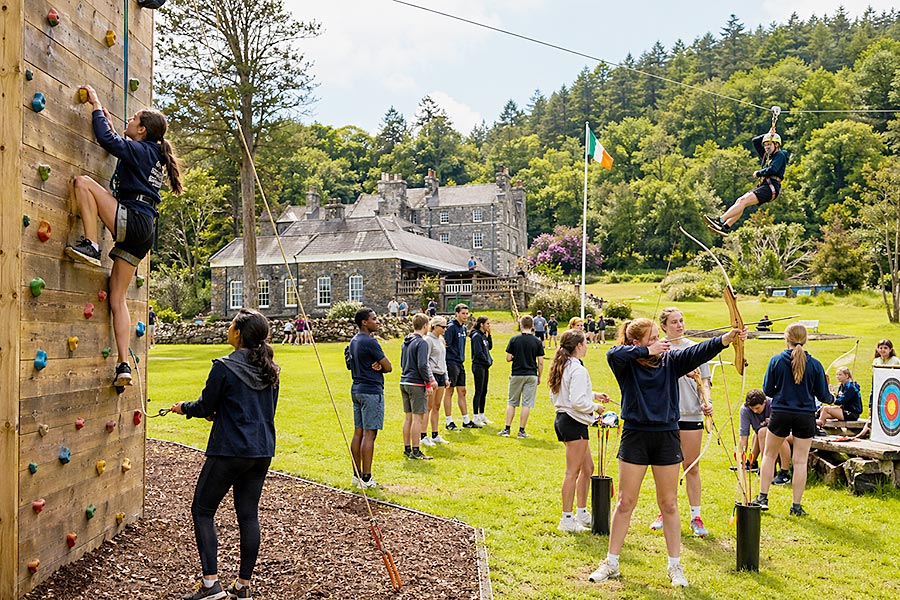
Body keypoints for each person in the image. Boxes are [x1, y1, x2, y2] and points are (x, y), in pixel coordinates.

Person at [589, 317, 745, 588]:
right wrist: (647, 351)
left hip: (666, 437)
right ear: (636, 342)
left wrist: (726, 339)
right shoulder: (625, 364)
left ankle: (675, 566)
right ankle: (611, 562)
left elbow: (699, 351)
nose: (659, 341)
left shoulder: (671, 362)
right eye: (652, 338)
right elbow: (612, 352)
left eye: (658, 337)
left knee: (669, 503)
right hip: (635, 436)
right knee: (625, 500)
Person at [66, 85, 182, 387]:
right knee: (117, 298)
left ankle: (91, 243)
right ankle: (122, 364)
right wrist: (102, 110)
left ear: (142, 129)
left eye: (133, 119)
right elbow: (118, 139)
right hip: (144, 231)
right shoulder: (151, 152)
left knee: (83, 183)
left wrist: (93, 105)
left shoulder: (142, 150)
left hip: (132, 219)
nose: (128, 120)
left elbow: (107, 140)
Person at [170, 308, 279, 600]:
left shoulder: (224, 366)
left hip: (229, 450)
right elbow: (260, 411)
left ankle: (210, 585)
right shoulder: (270, 369)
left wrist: (185, 408)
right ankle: (242, 586)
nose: (228, 329)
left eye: (232, 326)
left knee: (202, 510)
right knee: (248, 515)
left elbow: (206, 407)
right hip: (261, 451)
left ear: (239, 333)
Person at [647, 308, 713, 539]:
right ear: (663, 326)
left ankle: (696, 516)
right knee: (668, 469)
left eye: (681, 321)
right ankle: (665, 513)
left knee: (691, 466)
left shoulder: (693, 349)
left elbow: (705, 381)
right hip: (666, 416)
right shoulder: (658, 349)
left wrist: (707, 402)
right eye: (674, 322)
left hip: (691, 414)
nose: (679, 325)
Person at [752, 323, 832, 517]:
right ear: (805, 340)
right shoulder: (815, 364)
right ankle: (796, 506)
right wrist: (833, 399)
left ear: (786, 338)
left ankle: (762, 498)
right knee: (800, 461)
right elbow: (824, 395)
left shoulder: (777, 361)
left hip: (781, 412)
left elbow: (768, 390)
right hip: (805, 415)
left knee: (769, 455)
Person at [549, 329, 610, 532]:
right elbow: (576, 401)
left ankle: (582, 513)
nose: (586, 345)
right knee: (572, 472)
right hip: (573, 422)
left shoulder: (564, 365)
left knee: (588, 468)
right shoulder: (576, 368)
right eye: (584, 342)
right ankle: (566, 520)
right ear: (579, 346)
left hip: (567, 420)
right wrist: (595, 408)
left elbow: (569, 394)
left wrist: (595, 395)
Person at [705, 129, 787, 235]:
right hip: (766, 186)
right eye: (765, 145)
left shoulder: (780, 155)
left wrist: (759, 173)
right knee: (740, 201)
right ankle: (725, 226)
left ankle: (720, 220)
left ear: (776, 145)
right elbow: (755, 141)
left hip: (771, 187)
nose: (766, 147)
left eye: (769, 145)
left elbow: (773, 169)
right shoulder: (767, 156)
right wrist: (768, 134)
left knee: (743, 200)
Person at [347, 308, 393, 489]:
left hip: (356, 388)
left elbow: (350, 364)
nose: (378, 321)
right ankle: (366, 478)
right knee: (369, 434)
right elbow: (388, 366)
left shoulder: (353, 341)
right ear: (364, 322)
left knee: (358, 432)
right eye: (374, 319)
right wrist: (381, 367)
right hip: (371, 391)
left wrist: (374, 365)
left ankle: (356, 475)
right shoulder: (370, 342)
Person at [499, 314, 545, 438]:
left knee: (512, 402)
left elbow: (508, 358)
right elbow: (540, 361)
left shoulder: (514, 339)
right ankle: (521, 430)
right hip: (531, 374)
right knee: (526, 403)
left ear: (521, 325)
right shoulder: (537, 341)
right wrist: (539, 376)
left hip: (517, 373)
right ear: (533, 326)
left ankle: (507, 429)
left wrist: (515, 357)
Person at [401, 313, 437, 460]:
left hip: (404, 381)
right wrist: (428, 383)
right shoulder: (421, 342)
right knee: (418, 418)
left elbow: (402, 362)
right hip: (416, 383)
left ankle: (407, 448)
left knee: (408, 417)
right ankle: (416, 451)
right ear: (425, 326)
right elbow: (423, 364)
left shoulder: (406, 341)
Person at [739, 389, 792, 485]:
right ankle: (755, 464)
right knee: (760, 432)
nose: (755, 411)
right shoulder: (745, 410)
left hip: (786, 433)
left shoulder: (773, 404)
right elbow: (744, 436)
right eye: (752, 409)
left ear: (764, 402)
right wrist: (741, 456)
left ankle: (782, 472)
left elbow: (783, 427)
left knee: (766, 433)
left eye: (757, 408)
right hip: (762, 433)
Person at [445, 304, 477, 429]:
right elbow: (446, 345)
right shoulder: (451, 327)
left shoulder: (463, 328)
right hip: (451, 362)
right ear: (456, 314)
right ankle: (449, 421)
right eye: (463, 313)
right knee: (450, 391)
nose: (465, 316)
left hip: (460, 362)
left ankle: (466, 420)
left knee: (462, 391)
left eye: (466, 313)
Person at [423, 317, 451, 446]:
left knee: (437, 406)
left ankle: (435, 434)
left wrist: (446, 376)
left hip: (440, 374)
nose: (445, 329)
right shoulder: (428, 340)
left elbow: (443, 360)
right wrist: (430, 378)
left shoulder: (441, 340)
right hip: (432, 374)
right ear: (434, 326)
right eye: (443, 327)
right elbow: (426, 361)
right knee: (428, 406)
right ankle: (423, 435)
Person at [470, 316, 494, 426]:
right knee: (478, 391)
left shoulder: (483, 336)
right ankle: (475, 416)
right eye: (487, 324)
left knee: (484, 390)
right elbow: (478, 353)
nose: (489, 326)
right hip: (479, 366)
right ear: (481, 324)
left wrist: (489, 335)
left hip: (484, 366)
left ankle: (482, 415)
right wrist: (487, 361)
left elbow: (489, 347)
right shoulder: (476, 336)